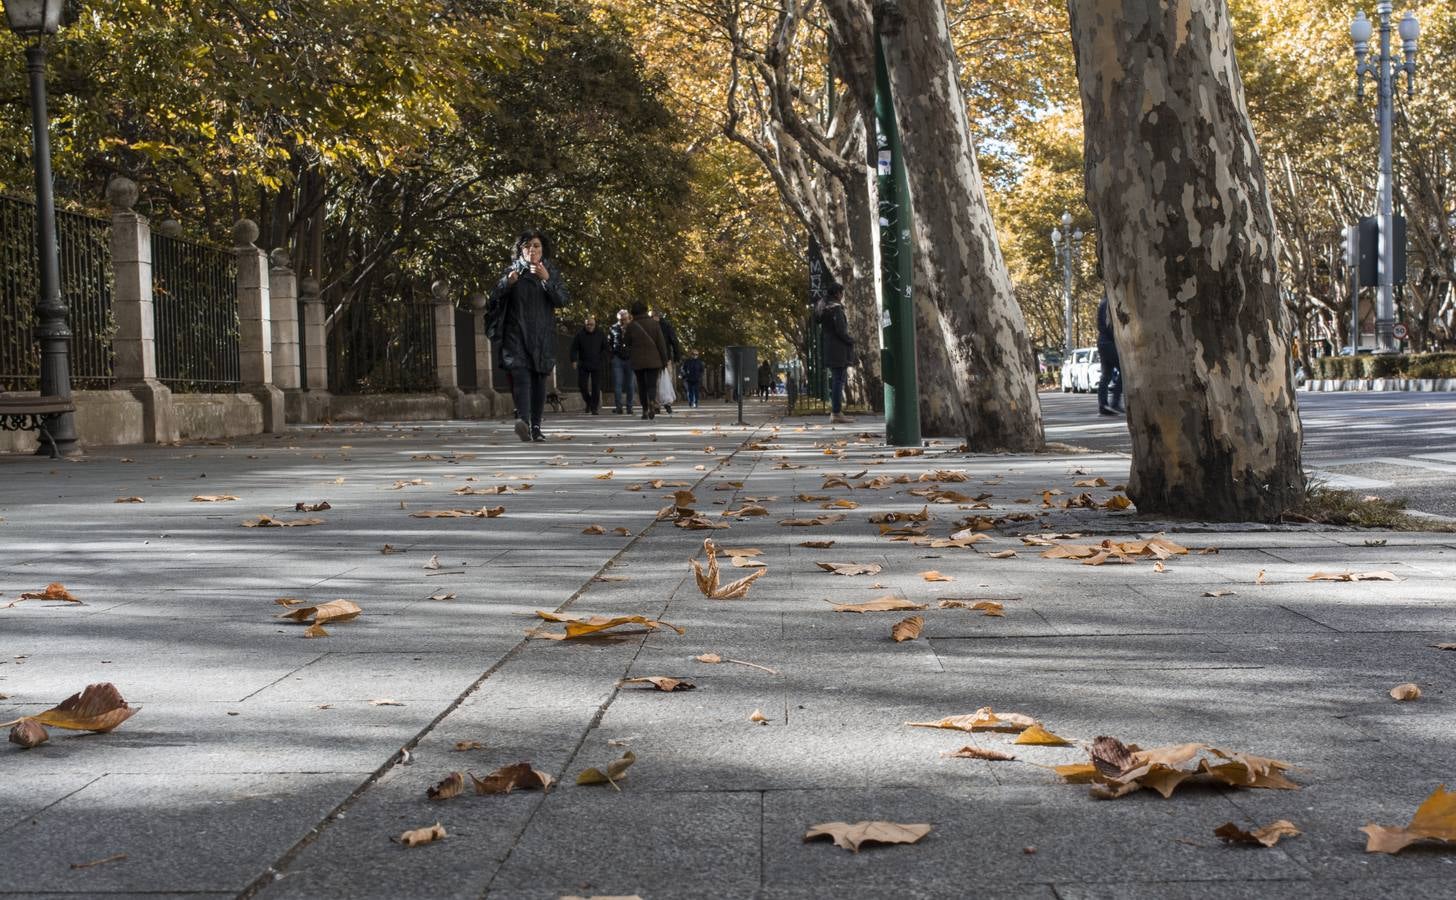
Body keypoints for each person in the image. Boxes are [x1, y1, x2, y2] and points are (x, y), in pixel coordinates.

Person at [491, 228, 568, 442]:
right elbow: (493, 298)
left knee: (538, 380)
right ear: (520, 250)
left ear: (542, 249)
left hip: (542, 334)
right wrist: (507, 283)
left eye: (536, 245)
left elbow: (562, 299)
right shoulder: (511, 271)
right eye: (527, 246)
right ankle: (523, 422)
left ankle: (536, 426)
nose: (532, 249)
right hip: (515, 334)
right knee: (521, 377)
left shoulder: (550, 271)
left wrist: (546, 280)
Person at [816, 283, 854, 423]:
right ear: (838, 293)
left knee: (837, 379)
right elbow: (841, 330)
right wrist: (850, 340)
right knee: (839, 380)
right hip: (839, 349)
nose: (842, 296)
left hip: (829, 347)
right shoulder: (836, 309)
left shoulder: (824, 307)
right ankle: (836, 413)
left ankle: (837, 412)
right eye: (842, 293)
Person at [625, 299, 669, 420]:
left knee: (641, 385)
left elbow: (626, 343)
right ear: (645, 310)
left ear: (633, 312)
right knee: (652, 384)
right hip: (654, 360)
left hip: (637, 360)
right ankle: (651, 402)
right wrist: (664, 360)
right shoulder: (654, 324)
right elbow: (661, 344)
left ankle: (644, 409)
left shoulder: (631, 326)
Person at [569, 316, 607, 415]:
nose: (590, 326)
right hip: (583, 363)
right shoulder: (580, 335)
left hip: (597, 364)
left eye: (592, 324)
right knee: (582, 385)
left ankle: (594, 408)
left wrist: (602, 358)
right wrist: (573, 360)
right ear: (585, 325)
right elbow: (574, 348)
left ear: (595, 325)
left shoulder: (600, 334)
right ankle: (589, 402)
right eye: (588, 325)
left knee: (596, 387)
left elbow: (606, 348)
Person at [1096, 294, 1124, 416]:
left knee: (1106, 375)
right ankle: (1114, 402)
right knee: (1124, 371)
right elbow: (1106, 325)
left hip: (1104, 342)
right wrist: (1117, 337)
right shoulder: (1108, 303)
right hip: (1109, 342)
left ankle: (1103, 405)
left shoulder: (1104, 302)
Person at [607, 308, 635, 414]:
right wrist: (612, 355)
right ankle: (618, 407)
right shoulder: (613, 328)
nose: (623, 321)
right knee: (617, 384)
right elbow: (609, 342)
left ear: (628, 317)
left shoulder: (633, 327)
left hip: (630, 358)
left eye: (625, 318)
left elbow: (636, 342)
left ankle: (629, 407)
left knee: (630, 384)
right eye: (621, 318)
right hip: (617, 358)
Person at [658, 313, 684, 413]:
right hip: (665, 357)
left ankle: (656, 404)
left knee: (655, 382)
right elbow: (674, 341)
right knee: (666, 381)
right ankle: (667, 404)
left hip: (654, 358)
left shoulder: (649, 325)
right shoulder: (666, 325)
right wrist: (677, 356)